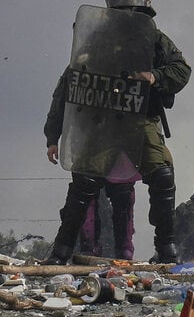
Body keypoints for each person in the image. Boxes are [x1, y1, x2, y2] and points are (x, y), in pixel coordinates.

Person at [44, 0, 191, 265]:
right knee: (84, 179)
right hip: (103, 121)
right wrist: (53, 134)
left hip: (140, 118)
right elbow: (69, 83)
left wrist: (155, 76)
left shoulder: (154, 37)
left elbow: (181, 70)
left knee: (162, 174)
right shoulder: (96, 37)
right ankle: (60, 251)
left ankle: (167, 249)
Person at [45, 79, 138, 260]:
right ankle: (86, 249)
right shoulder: (83, 60)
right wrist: (52, 138)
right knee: (84, 192)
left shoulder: (130, 60)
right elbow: (61, 99)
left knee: (123, 193)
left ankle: (123, 252)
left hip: (120, 138)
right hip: (88, 137)